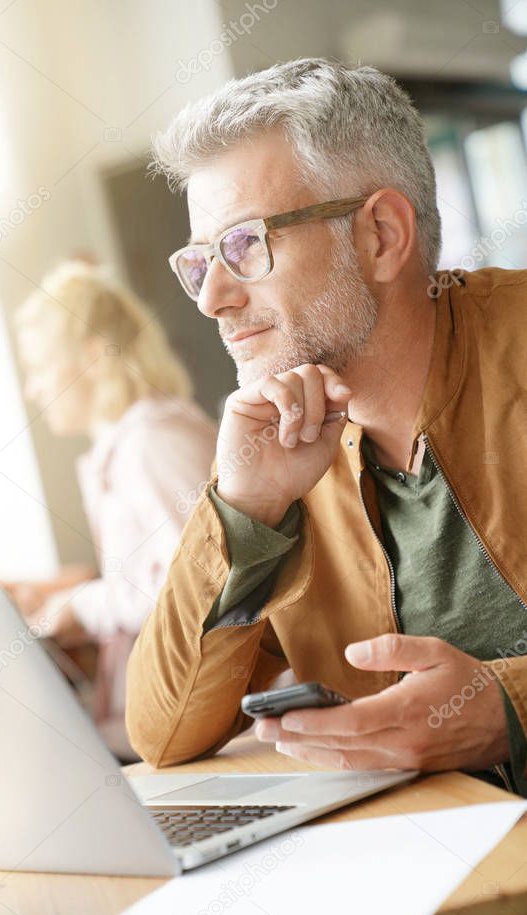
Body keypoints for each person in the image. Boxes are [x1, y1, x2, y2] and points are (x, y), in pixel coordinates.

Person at [125, 58, 527, 796]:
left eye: (245, 245)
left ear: (379, 234)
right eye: (199, 261)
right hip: (422, 873)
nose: (212, 297)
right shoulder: (277, 444)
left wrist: (508, 709)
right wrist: (244, 513)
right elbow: (162, 731)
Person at [13, 261, 217, 757]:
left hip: (204, 718)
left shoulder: (152, 440)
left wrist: (82, 604)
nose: (32, 389)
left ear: (92, 358)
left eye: (40, 367)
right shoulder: (120, 448)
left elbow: (202, 588)